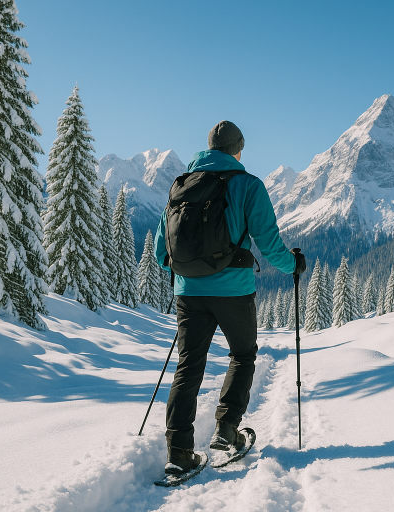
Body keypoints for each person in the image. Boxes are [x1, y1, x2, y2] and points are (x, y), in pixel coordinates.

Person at [154, 120, 307, 474]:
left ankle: (178, 454)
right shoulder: (248, 185)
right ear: (237, 150)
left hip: (188, 293)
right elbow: (268, 243)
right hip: (234, 292)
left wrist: (187, 276)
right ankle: (226, 429)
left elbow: (165, 252)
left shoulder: (181, 185)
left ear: (208, 149)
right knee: (242, 354)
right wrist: (293, 265)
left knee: (189, 365)